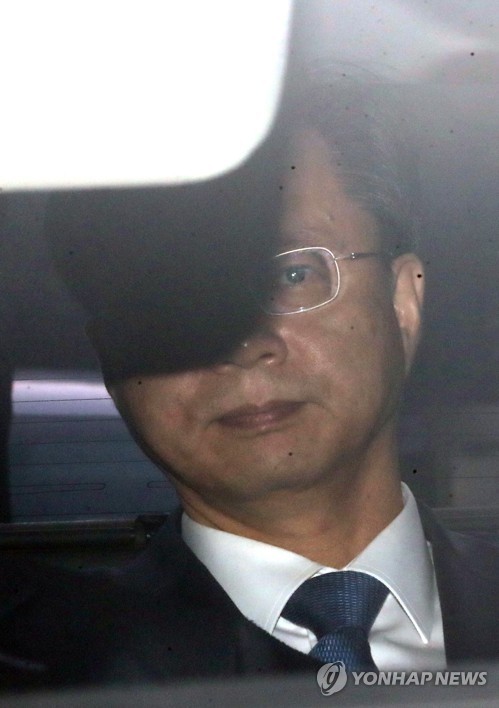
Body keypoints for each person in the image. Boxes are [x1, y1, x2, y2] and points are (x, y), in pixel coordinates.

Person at [2, 64, 498, 687]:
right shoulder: (47, 681)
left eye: (293, 274)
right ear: (112, 361)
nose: (239, 344)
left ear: (402, 303)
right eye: (168, 302)